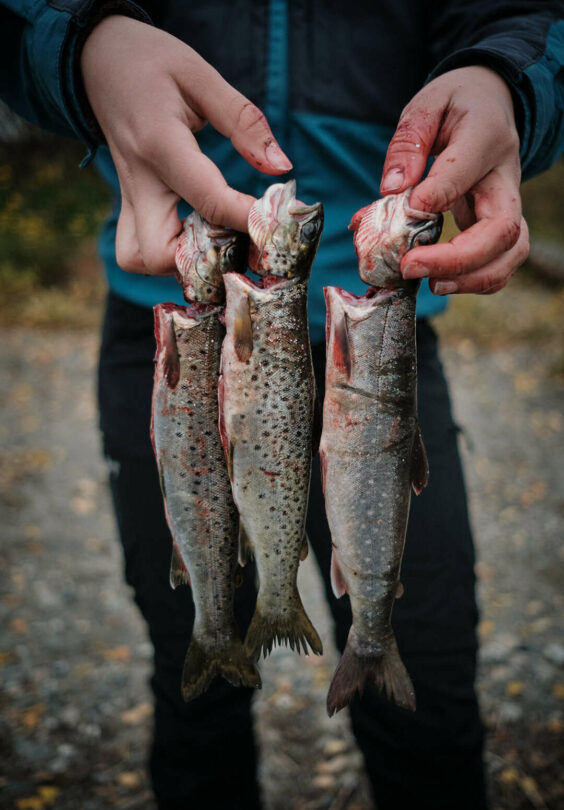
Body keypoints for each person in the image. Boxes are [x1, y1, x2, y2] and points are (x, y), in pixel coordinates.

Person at [2, 2, 563, 808]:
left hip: (381, 362)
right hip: (169, 316)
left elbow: (529, 16)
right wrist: (87, 46)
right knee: (196, 682)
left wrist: (508, 83)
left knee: (429, 702)